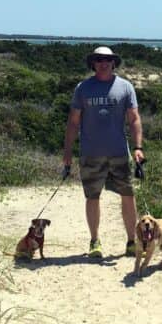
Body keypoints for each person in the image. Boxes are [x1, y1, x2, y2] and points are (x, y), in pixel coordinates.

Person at [63, 46, 145, 258]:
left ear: (114, 63)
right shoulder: (83, 88)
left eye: (107, 59)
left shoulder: (125, 87)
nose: (103, 63)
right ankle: (94, 241)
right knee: (92, 197)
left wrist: (138, 147)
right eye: (99, 59)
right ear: (93, 63)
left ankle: (131, 241)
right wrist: (67, 153)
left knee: (128, 195)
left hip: (119, 152)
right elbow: (73, 122)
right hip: (90, 153)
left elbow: (134, 119)